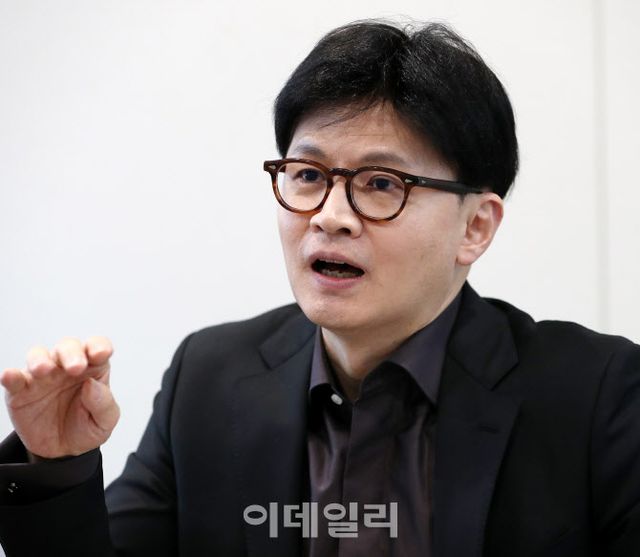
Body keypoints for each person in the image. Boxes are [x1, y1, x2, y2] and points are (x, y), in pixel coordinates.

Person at [0, 19, 639, 557]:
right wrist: (59, 467)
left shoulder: (598, 396)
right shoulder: (209, 379)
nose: (330, 216)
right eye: (307, 175)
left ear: (475, 227)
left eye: (382, 184)